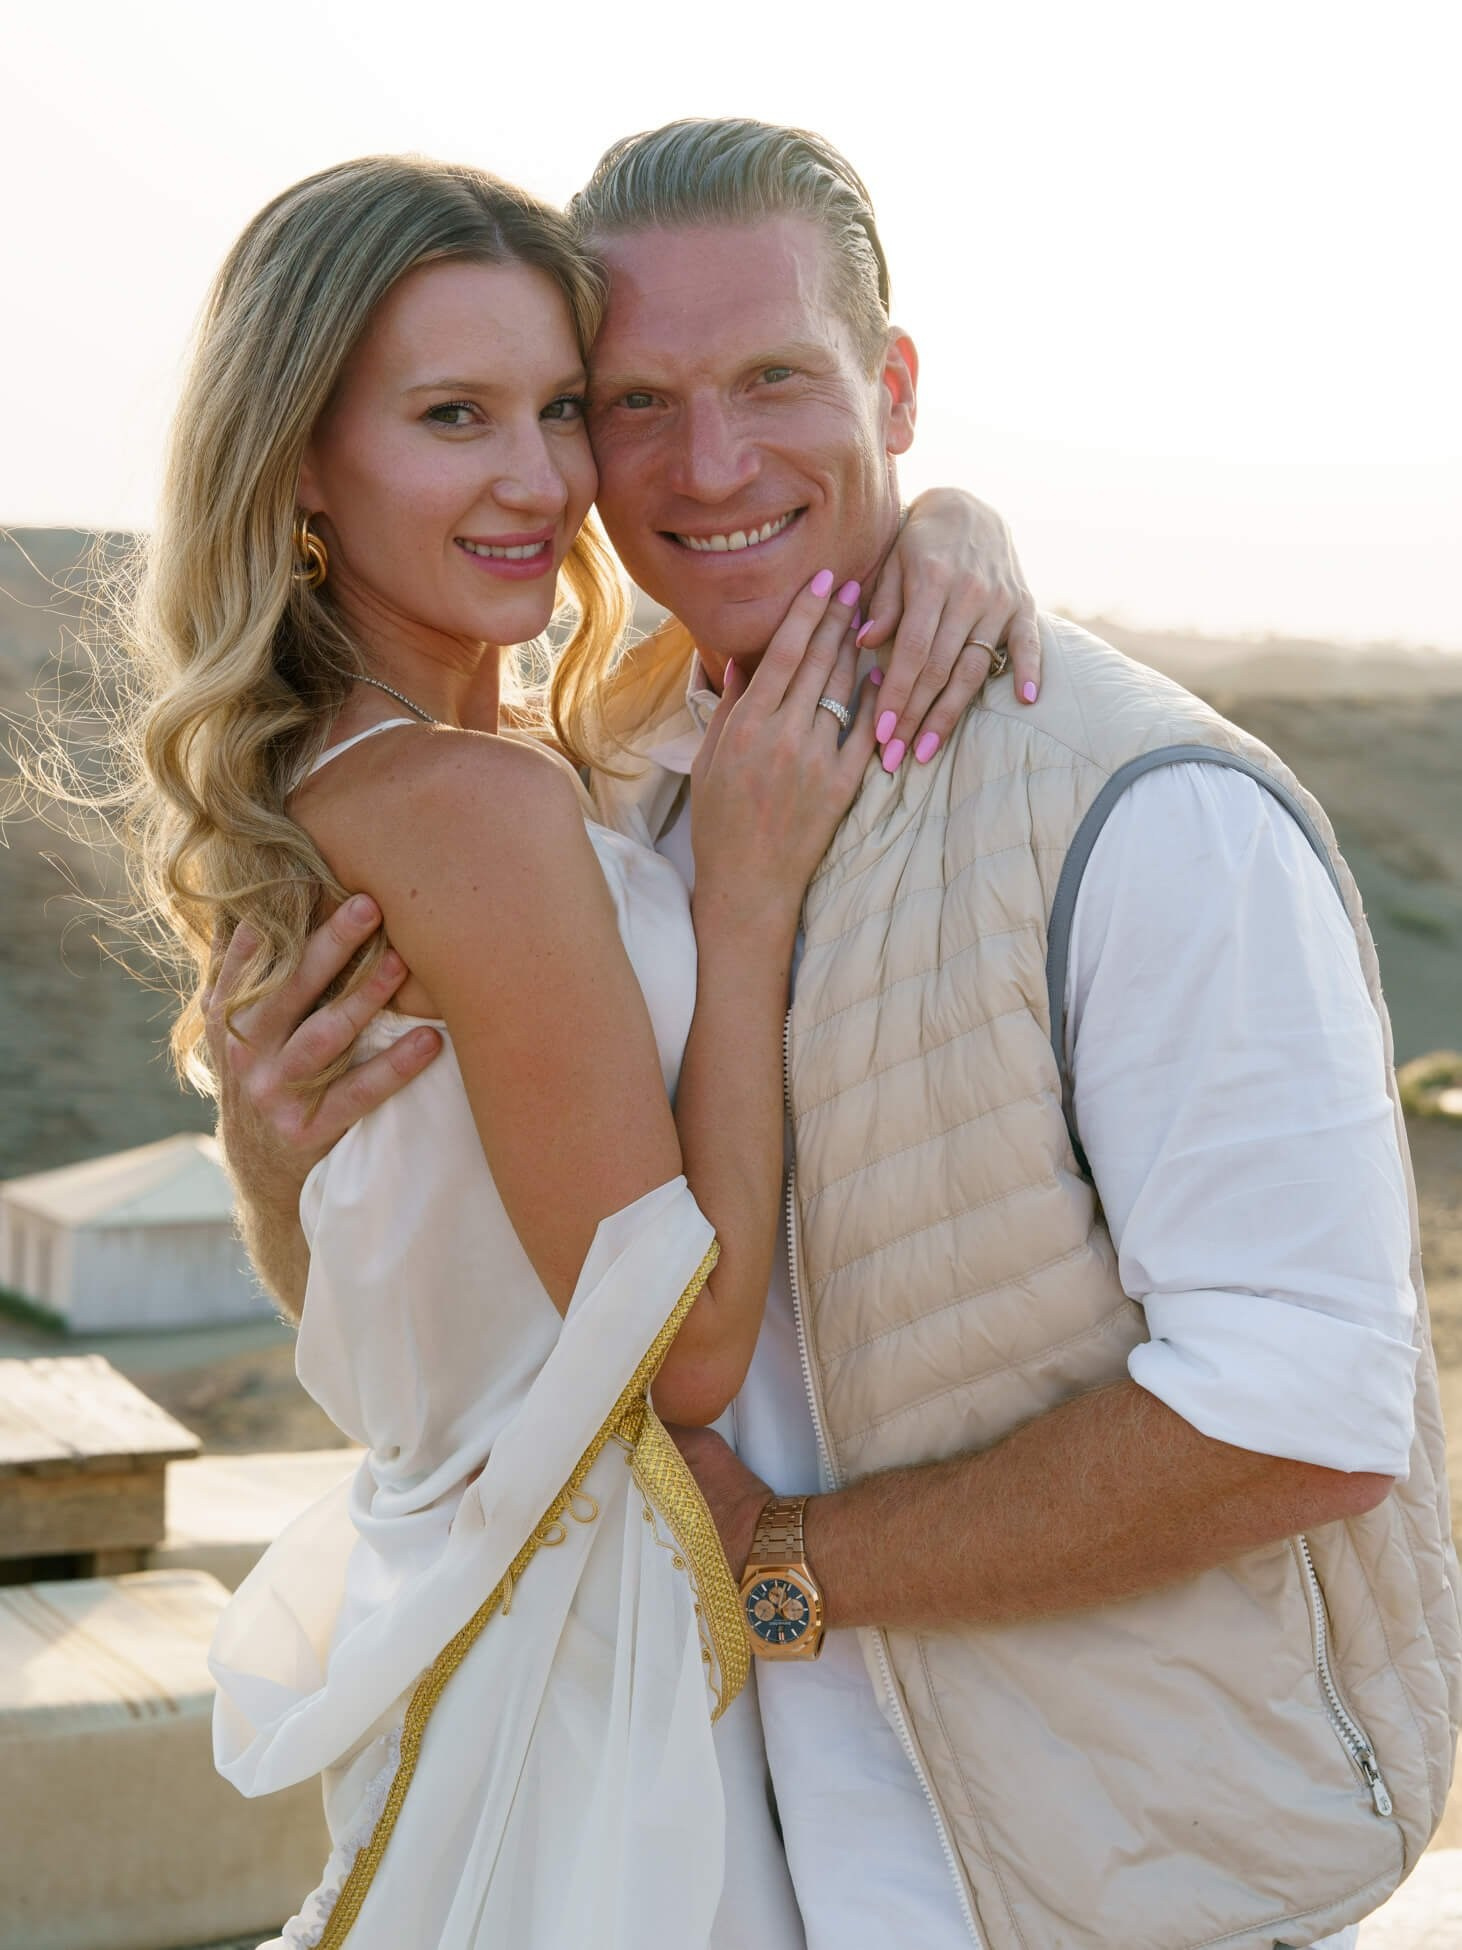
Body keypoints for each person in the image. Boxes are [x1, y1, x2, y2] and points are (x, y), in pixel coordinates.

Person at [221, 121, 1461, 1950]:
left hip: (1086, 1864)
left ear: (890, 385)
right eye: (628, 398)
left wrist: (780, 1573)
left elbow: (1302, 1412)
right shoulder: (611, 772)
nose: (693, 461)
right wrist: (278, 1167)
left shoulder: (1145, 811)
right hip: (696, 1807)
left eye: (775, 378)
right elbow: (480, 1304)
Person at [86, 155, 1037, 1948]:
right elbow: (678, 1359)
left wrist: (951, 519)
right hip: (607, 1672)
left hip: (504, 1614)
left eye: (558, 408)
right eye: (455, 417)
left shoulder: (384, 771)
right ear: (301, 456)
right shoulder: (477, 804)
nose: (541, 482)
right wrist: (744, 905)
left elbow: (390, 1318)